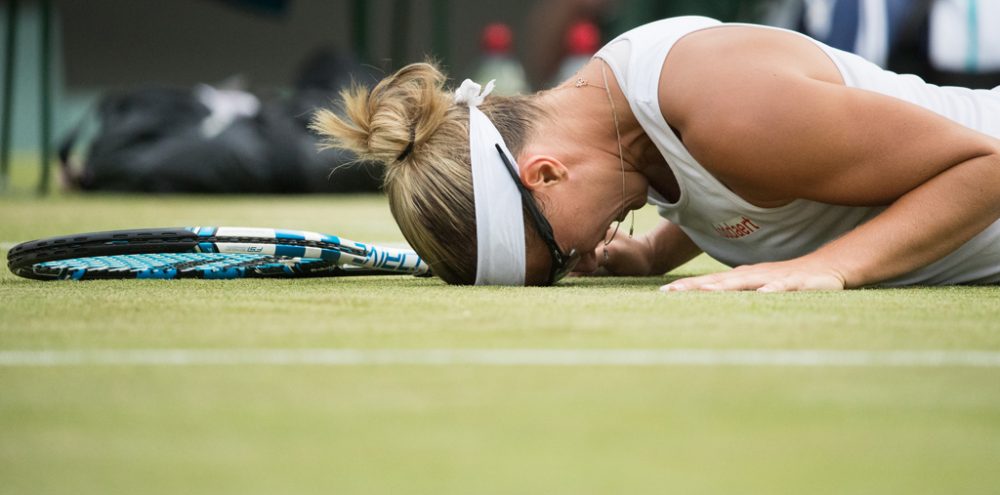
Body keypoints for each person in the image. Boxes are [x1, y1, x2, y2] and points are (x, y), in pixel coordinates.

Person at [311, 15, 1000, 291]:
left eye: (556, 255)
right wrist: (657, 252)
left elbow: (987, 165)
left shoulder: (721, 102)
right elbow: (739, 190)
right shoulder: (624, 126)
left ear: (545, 173)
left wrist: (826, 270)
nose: (581, 259)